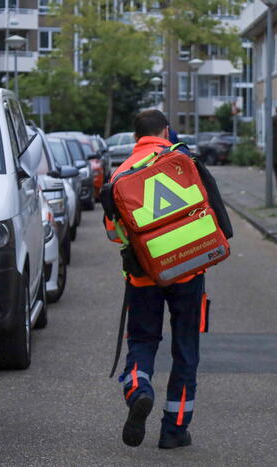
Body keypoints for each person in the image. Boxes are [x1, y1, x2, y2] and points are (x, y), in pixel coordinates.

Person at [105, 110, 206, 449]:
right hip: (188, 271)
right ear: (166, 130)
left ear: (135, 137)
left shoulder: (121, 173)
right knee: (185, 349)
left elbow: (112, 232)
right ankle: (175, 430)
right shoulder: (181, 161)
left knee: (143, 341)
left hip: (145, 277)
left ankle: (138, 389)